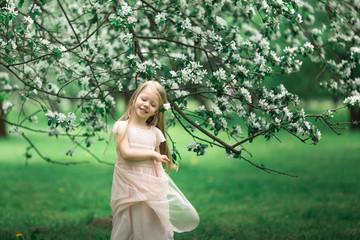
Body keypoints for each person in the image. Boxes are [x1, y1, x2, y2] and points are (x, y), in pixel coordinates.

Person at [110, 81, 199, 240]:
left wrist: (160, 188)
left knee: (150, 220)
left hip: (149, 185)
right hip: (129, 185)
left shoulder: (155, 133)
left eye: (152, 104)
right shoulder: (123, 127)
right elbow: (126, 153)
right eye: (143, 99)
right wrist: (152, 155)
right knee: (129, 220)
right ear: (135, 97)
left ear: (157, 111)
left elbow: (156, 166)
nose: (146, 105)